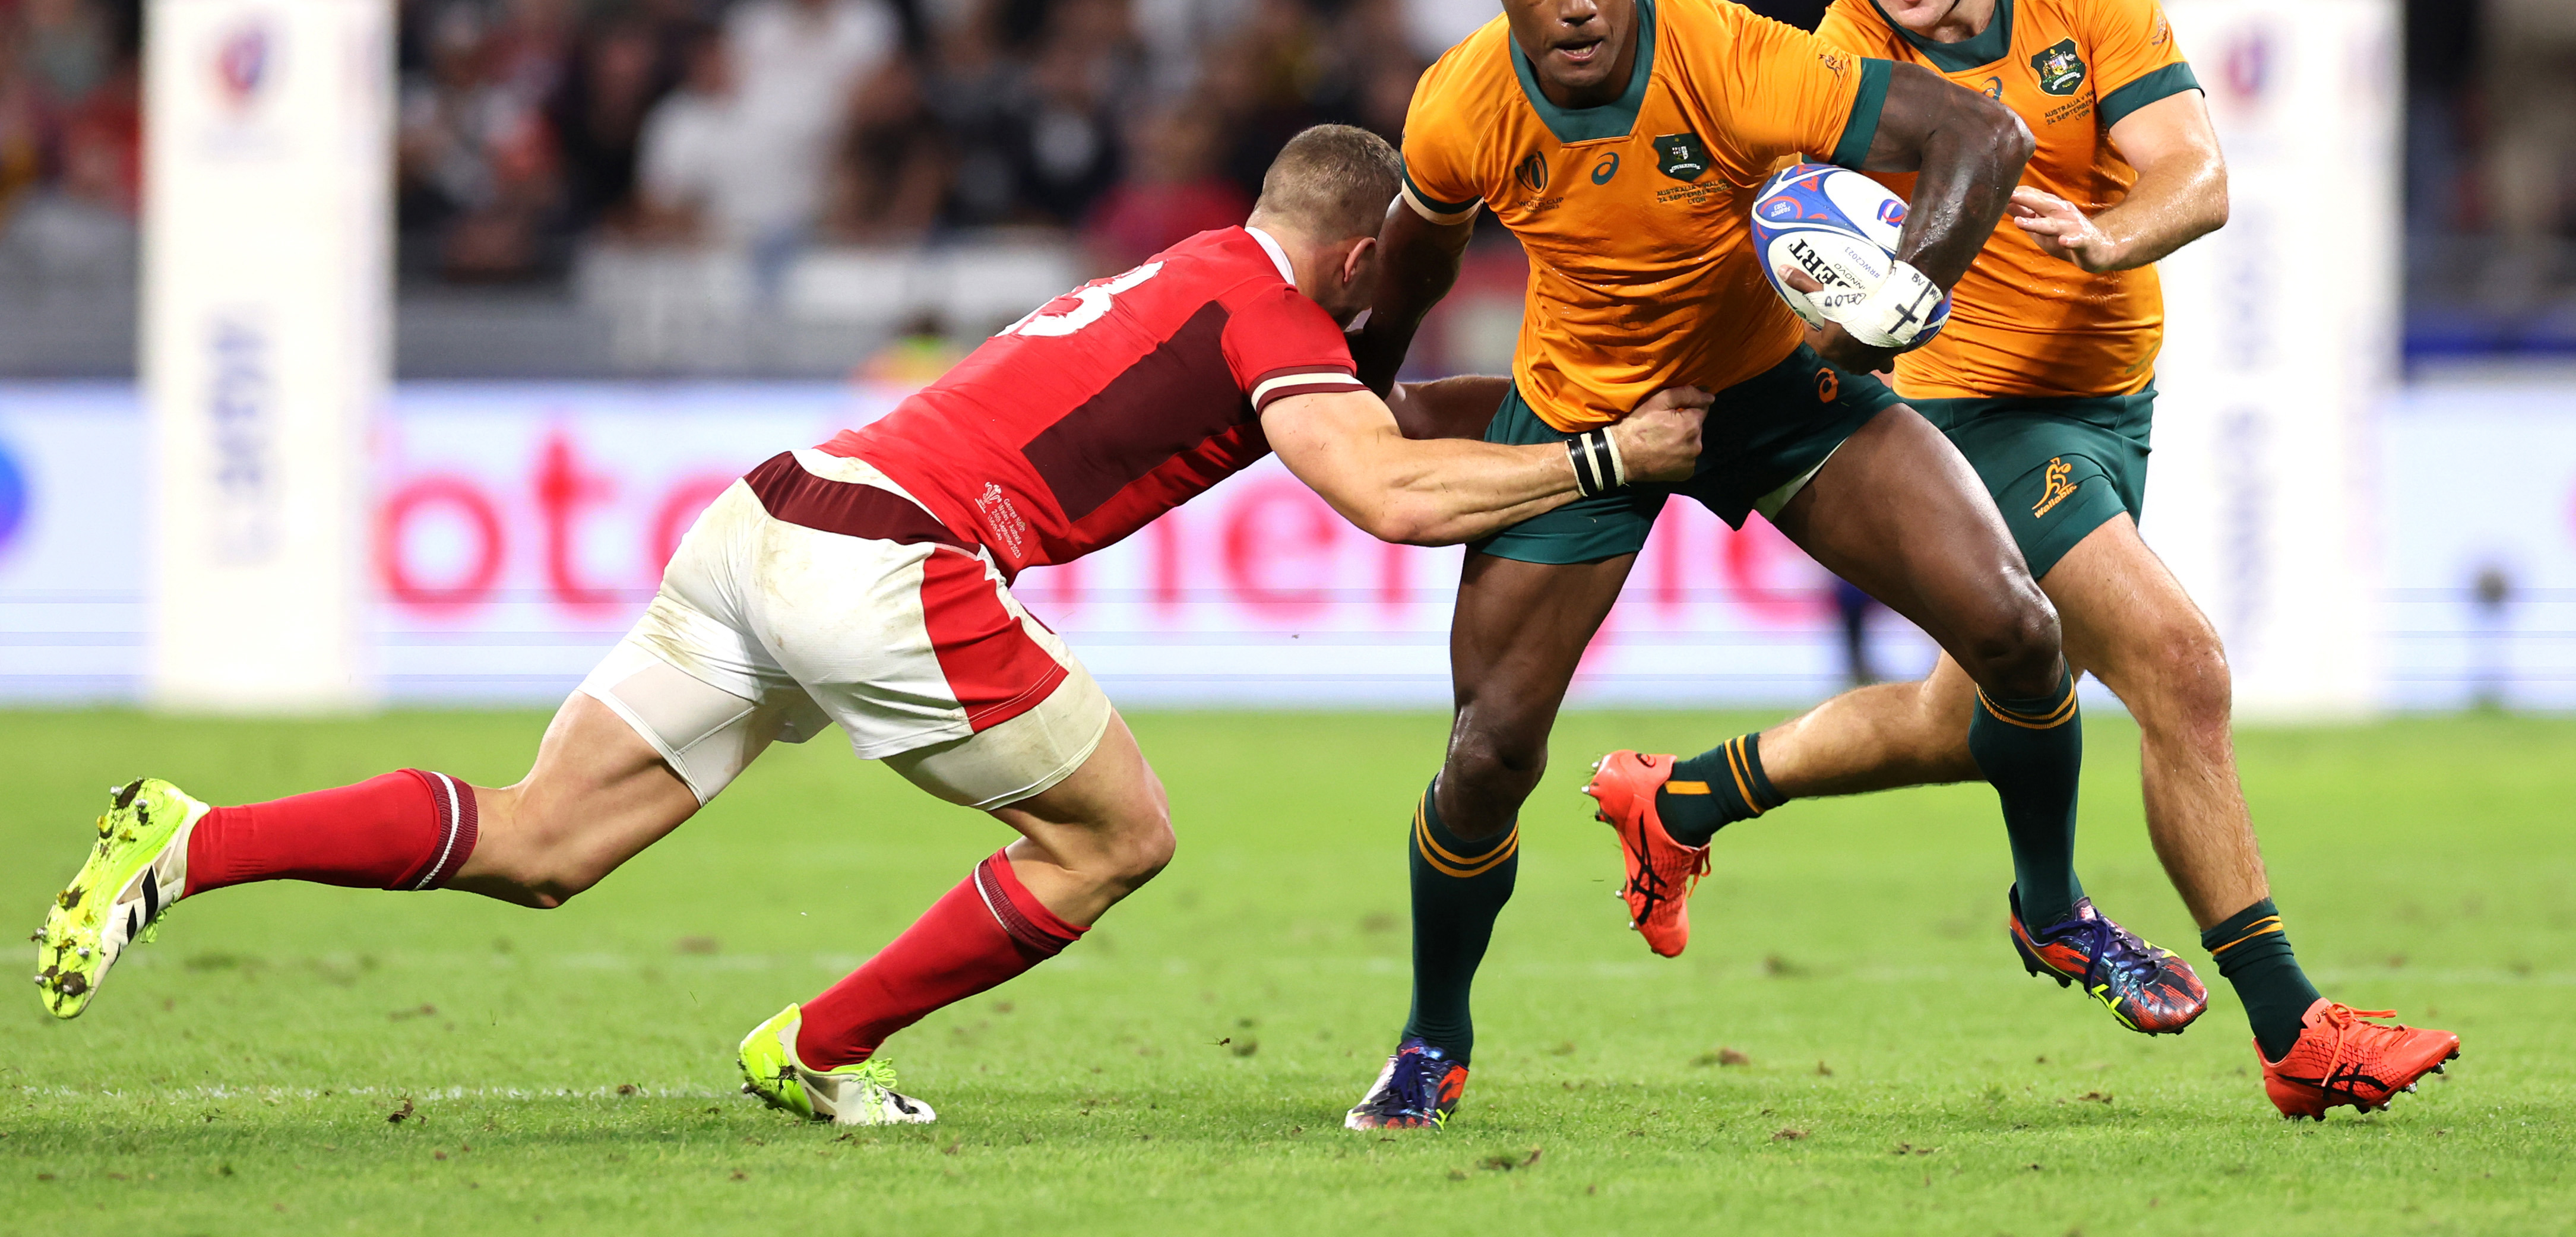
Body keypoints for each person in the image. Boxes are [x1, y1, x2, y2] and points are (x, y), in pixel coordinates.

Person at [32, 126, 1711, 1127]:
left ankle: (193, 837)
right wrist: (1603, 454)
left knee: (542, 842)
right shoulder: (1278, 313)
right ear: (1362, 248)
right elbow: (1393, 497)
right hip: (900, 563)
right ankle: (820, 1045)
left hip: (768, 511)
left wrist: (1545, 394)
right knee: (1117, 833)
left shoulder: (1207, 271)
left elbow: (1388, 415)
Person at [1590, 0, 2458, 1121]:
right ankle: (2294, 1025)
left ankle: (1681, 798)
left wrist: (2115, 239)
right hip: (1971, 417)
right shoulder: (1845, 49)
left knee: (1968, 719)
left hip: (2112, 402)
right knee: (2180, 664)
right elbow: (1817, 236)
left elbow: (2198, 173)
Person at [1343, 0, 2196, 1133]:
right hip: (1588, 420)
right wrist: (1348, 401)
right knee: (1488, 755)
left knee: (2023, 631)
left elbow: (1982, 134)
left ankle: (2054, 907)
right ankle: (1432, 1037)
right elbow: (1407, 274)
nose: (1578, 0)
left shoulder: (1729, 54)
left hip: (1775, 396)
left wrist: (1900, 300)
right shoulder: (1460, 105)